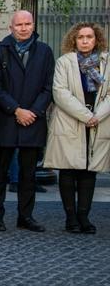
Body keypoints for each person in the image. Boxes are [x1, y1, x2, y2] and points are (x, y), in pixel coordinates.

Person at [0, 10, 53, 232]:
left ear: (33, 25)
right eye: (19, 25)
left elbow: (47, 87)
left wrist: (32, 111)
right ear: (11, 27)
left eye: (27, 24)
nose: (23, 28)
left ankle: (26, 216)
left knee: (28, 174)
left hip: (33, 121)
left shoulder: (44, 51)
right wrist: (16, 110)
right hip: (6, 119)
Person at [45, 22, 109, 234]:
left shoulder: (106, 62)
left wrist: (96, 116)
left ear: (96, 39)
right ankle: (70, 218)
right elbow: (60, 93)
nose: (84, 41)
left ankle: (84, 216)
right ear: (74, 39)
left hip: (97, 122)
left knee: (89, 171)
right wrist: (85, 115)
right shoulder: (65, 62)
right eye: (80, 37)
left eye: (89, 37)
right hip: (70, 121)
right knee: (68, 169)